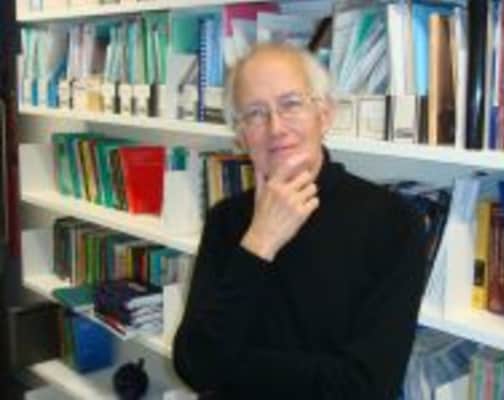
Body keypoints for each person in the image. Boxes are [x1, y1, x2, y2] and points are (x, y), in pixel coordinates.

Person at [172, 43, 427, 400]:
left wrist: (231, 368)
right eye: (255, 113)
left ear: (325, 115)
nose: (276, 127)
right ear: (241, 136)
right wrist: (259, 243)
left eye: (291, 104)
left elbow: (365, 387)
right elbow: (194, 365)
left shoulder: (394, 223)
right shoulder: (225, 220)